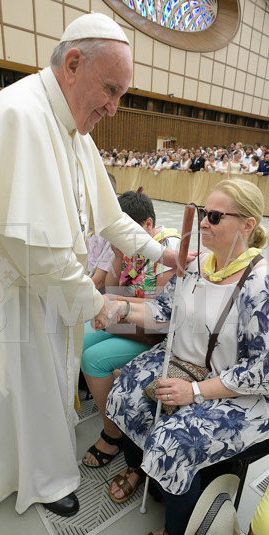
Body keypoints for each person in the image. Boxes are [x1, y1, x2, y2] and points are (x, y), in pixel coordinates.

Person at [0, 13, 179, 518]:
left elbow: (110, 216)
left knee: (40, 384)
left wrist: (163, 253)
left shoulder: (73, 129)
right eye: (110, 90)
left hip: (40, 287)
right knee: (4, 389)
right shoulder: (21, 116)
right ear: (72, 64)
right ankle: (25, 478)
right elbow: (37, 252)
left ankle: (40, 471)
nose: (113, 108)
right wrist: (97, 303)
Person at [100, 179, 269, 535]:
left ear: (247, 225)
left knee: (173, 441)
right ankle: (138, 467)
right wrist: (119, 308)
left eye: (214, 216)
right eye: (201, 213)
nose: (203, 223)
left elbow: (266, 373)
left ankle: (176, 532)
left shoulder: (266, 285)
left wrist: (194, 392)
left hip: (245, 392)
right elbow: (164, 314)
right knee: (126, 389)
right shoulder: (195, 265)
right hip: (190, 366)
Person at [82, 189, 180, 468]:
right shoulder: (130, 246)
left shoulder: (168, 246)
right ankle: (108, 403)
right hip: (128, 318)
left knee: (93, 359)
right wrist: (116, 257)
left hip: (155, 331)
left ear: (147, 224)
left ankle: (112, 435)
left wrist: (114, 306)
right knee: (81, 339)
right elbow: (113, 288)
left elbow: (159, 308)